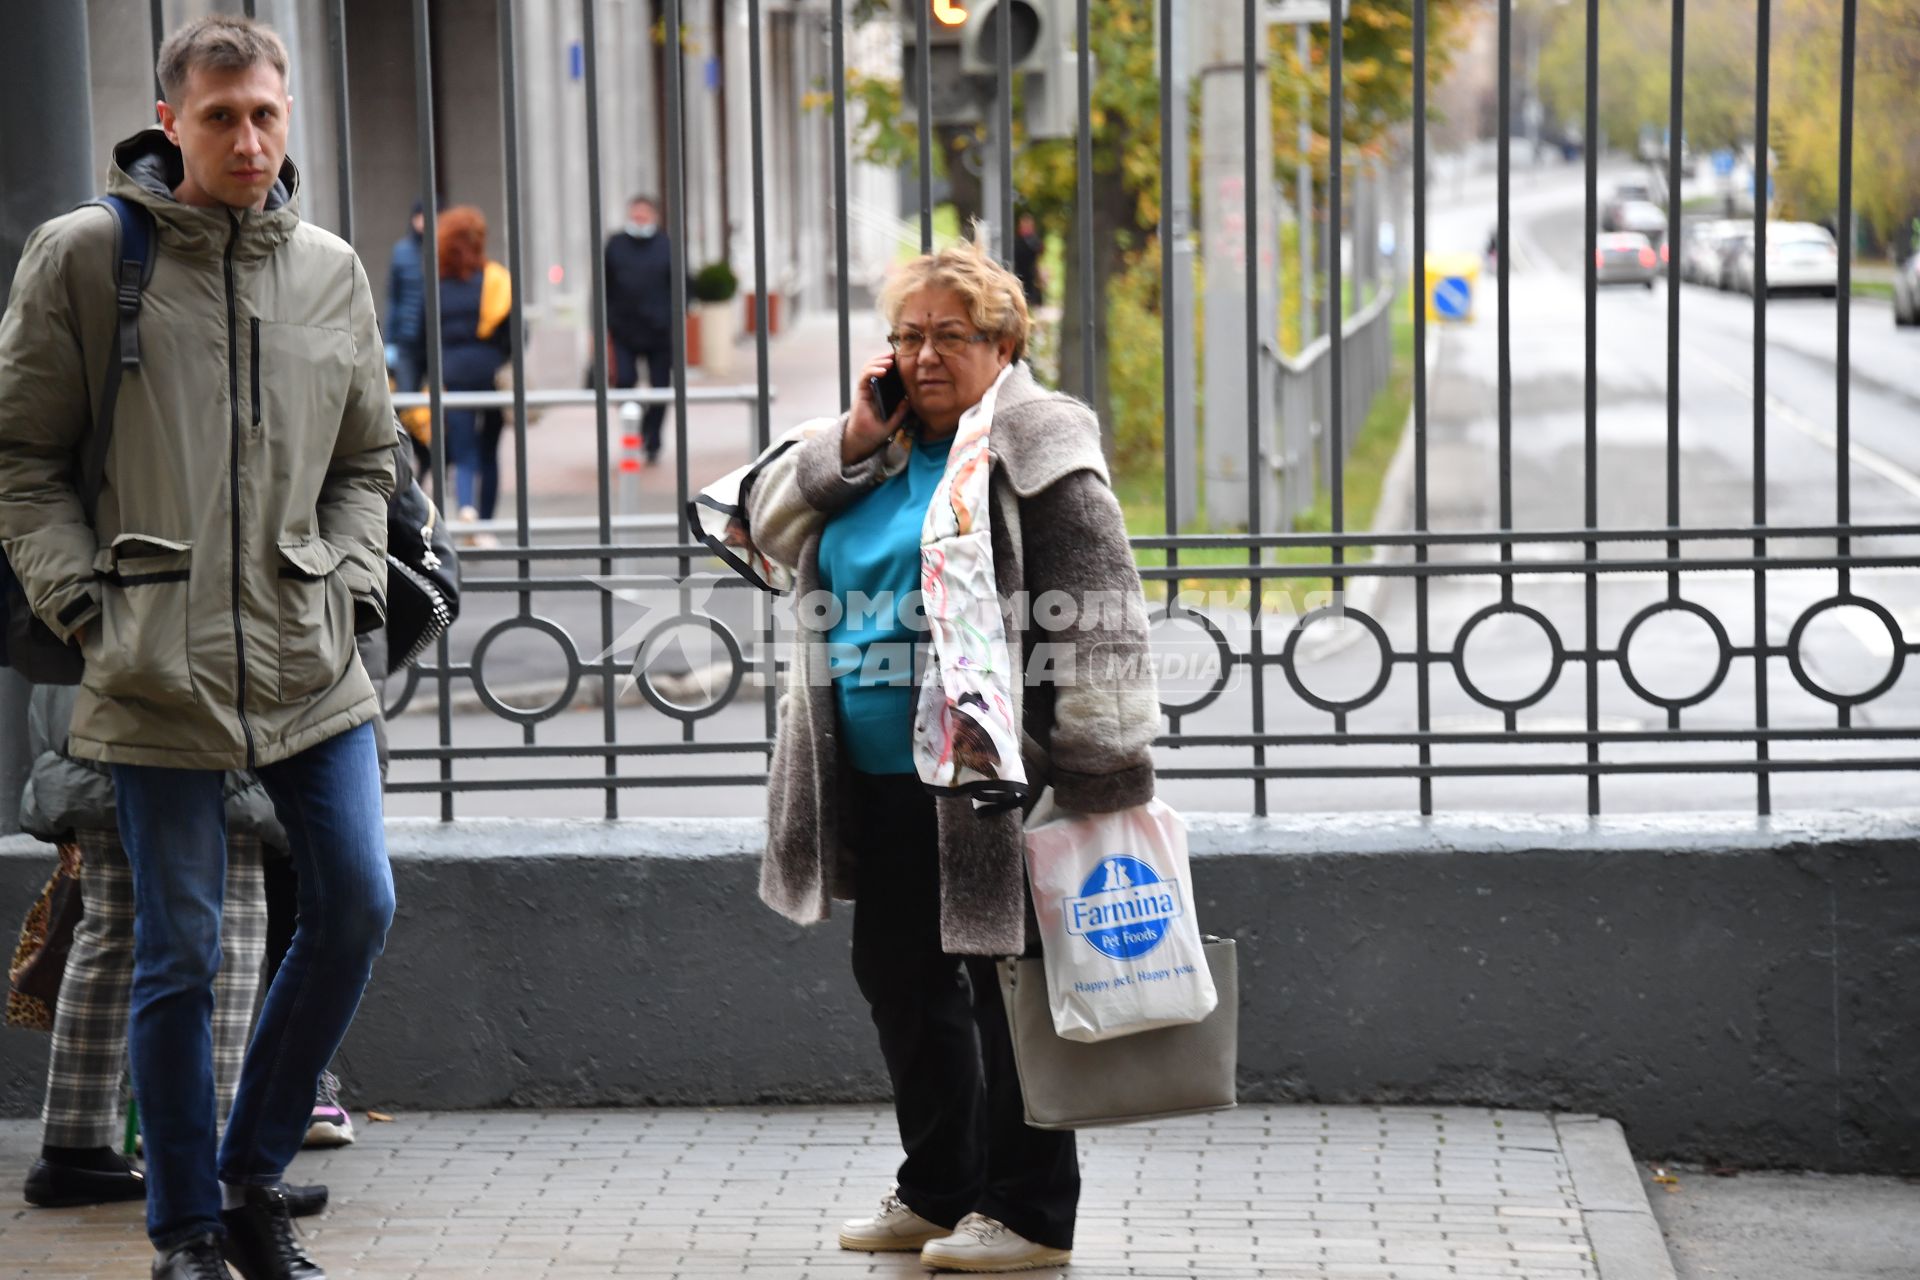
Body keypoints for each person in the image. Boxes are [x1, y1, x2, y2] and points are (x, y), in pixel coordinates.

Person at [0, 16, 397, 1280]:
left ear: (291, 117)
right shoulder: (85, 255)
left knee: (357, 905)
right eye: (220, 115)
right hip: (149, 660)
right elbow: (22, 458)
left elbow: (367, 459)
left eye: (266, 113)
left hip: (306, 656)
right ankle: (182, 1229)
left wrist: (339, 579)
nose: (247, 136)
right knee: (176, 945)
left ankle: (249, 1174)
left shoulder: (329, 267)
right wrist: (88, 607)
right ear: (171, 120)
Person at [717, 243, 1159, 1272]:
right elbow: (755, 532)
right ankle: (940, 1185)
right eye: (907, 335)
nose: (923, 355)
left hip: (995, 781)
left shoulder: (1036, 446)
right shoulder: (868, 451)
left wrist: (1097, 777)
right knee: (898, 970)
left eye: (949, 336)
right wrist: (853, 436)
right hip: (873, 768)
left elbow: (1102, 616)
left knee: (1007, 990)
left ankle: (1033, 1212)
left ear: (1003, 344)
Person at [17, 686, 327, 1222]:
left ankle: (73, 1148)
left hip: (98, 706)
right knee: (227, 933)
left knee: (111, 930)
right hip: (200, 715)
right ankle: (216, 1164)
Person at [434, 205, 513, 536]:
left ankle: (466, 507)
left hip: (453, 374)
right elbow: (512, 333)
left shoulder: (437, 285)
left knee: (463, 450)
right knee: (489, 450)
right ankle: (486, 523)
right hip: (488, 373)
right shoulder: (494, 279)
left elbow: (427, 332)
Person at [603, 194, 678, 466]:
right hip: (624, 329)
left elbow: (681, 284)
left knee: (660, 388)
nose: (639, 218)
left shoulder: (666, 245)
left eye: (644, 214)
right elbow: (604, 286)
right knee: (624, 381)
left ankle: (653, 437)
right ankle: (633, 432)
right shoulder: (615, 245)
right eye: (635, 213)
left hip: (659, 330)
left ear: (653, 216)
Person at [384, 201, 427, 407]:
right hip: (406, 339)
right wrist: (390, 342)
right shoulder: (401, 251)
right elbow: (394, 298)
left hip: (436, 339)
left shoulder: (444, 247)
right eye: (420, 215)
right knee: (406, 401)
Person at [1012, 212, 1045, 309]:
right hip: (1019, 275)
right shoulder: (1017, 241)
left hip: (1031, 278)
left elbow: (1038, 259)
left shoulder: (1034, 241)